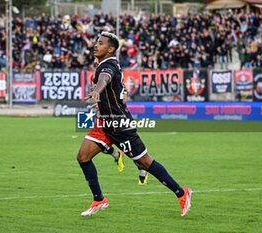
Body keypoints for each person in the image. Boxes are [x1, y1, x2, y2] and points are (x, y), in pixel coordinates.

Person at [77, 31, 192, 217]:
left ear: (111, 49)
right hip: (105, 123)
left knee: (146, 163)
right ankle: (99, 199)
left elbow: (105, 79)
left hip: (120, 125)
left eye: (100, 43)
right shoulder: (105, 64)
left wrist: (97, 90)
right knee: (83, 156)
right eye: (96, 42)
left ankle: (181, 193)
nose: (95, 45)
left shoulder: (108, 66)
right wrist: (101, 101)